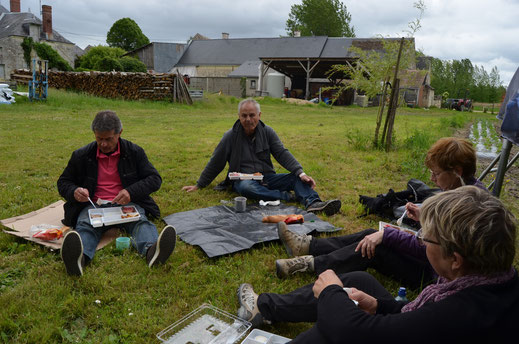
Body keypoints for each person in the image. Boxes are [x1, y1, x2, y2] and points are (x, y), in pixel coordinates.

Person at [237, 186, 518, 342]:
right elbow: (414, 317)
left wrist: (331, 292)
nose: (420, 241)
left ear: (455, 260)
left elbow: (352, 333)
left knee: (331, 329)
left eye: (425, 238)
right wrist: (378, 305)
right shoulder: (495, 282)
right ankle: (264, 307)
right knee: (358, 283)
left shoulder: (460, 313)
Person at [275, 137, 486, 289]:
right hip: (436, 264)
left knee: (376, 245)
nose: (432, 179)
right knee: (371, 233)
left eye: (436, 173)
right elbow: (441, 237)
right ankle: (307, 246)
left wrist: (387, 235)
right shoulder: (463, 191)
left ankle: (308, 264)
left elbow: (430, 249)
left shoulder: (465, 205)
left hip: (437, 274)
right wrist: (423, 218)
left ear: (457, 171)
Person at [57, 110, 176, 276]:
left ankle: (152, 252)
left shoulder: (134, 152)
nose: (103, 144)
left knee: (141, 222)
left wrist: (130, 192)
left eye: (108, 139)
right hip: (94, 205)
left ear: (120, 133)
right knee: (86, 225)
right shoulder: (81, 155)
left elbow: (155, 179)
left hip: (126, 204)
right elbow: (63, 182)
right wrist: (74, 191)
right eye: (99, 139)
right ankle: (79, 259)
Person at [182, 98, 341, 215]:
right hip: (243, 179)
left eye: (252, 115)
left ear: (259, 115)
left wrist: (301, 173)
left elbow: (282, 153)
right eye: (244, 116)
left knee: (296, 178)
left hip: (266, 177)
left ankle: (314, 203)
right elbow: (216, 161)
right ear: (238, 115)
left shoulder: (268, 132)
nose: (248, 119)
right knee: (246, 187)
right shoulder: (230, 136)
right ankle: (286, 196)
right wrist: (199, 184)